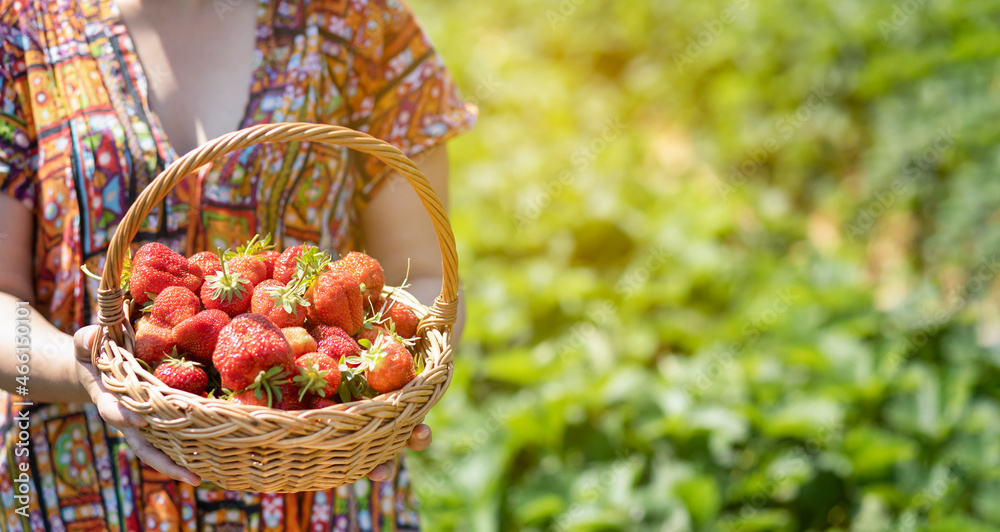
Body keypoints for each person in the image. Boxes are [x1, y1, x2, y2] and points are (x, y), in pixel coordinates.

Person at [0, 0, 475, 529]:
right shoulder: (20, 30)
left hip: (319, 455)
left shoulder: (364, 22)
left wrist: (394, 391)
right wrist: (82, 368)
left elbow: (427, 275)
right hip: (78, 483)